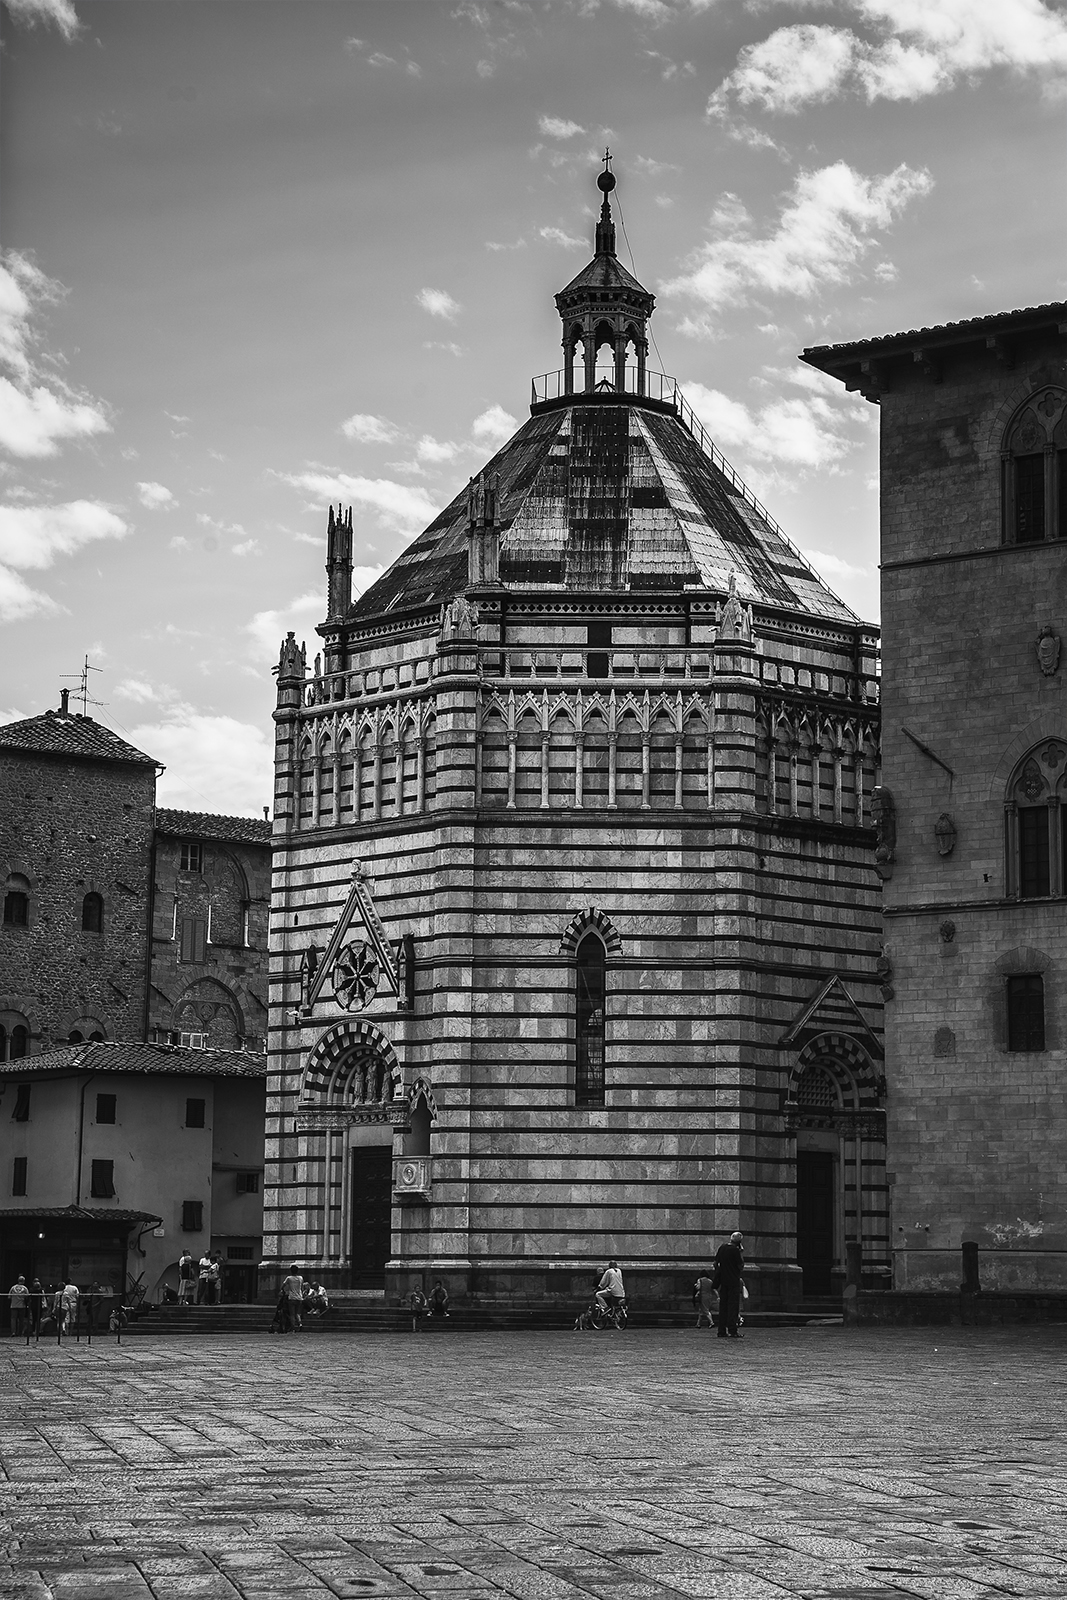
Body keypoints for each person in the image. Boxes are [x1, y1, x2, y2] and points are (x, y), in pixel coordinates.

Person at [712, 1231, 745, 1340]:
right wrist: (741, 1252)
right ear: (739, 1242)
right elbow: (740, 1266)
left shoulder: (722, 1248)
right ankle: (732, 1330)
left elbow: (715, 1263)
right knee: (733, 1306)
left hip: (723, 1281)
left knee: (723, 1306)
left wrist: (721, 1272)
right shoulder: (735, 1251)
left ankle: (721, 1330)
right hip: (733, 1281)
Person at [280, 1263, 305, 1332]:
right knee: (297, 1313)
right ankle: (300, 1324)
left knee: (292, 1314)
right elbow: (302, 1287)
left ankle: (293, 1328)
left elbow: (283, 1285)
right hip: (299, 1297)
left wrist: (283, 1290)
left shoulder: (289, 1278)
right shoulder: (300, 1278)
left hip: (292, 1297)